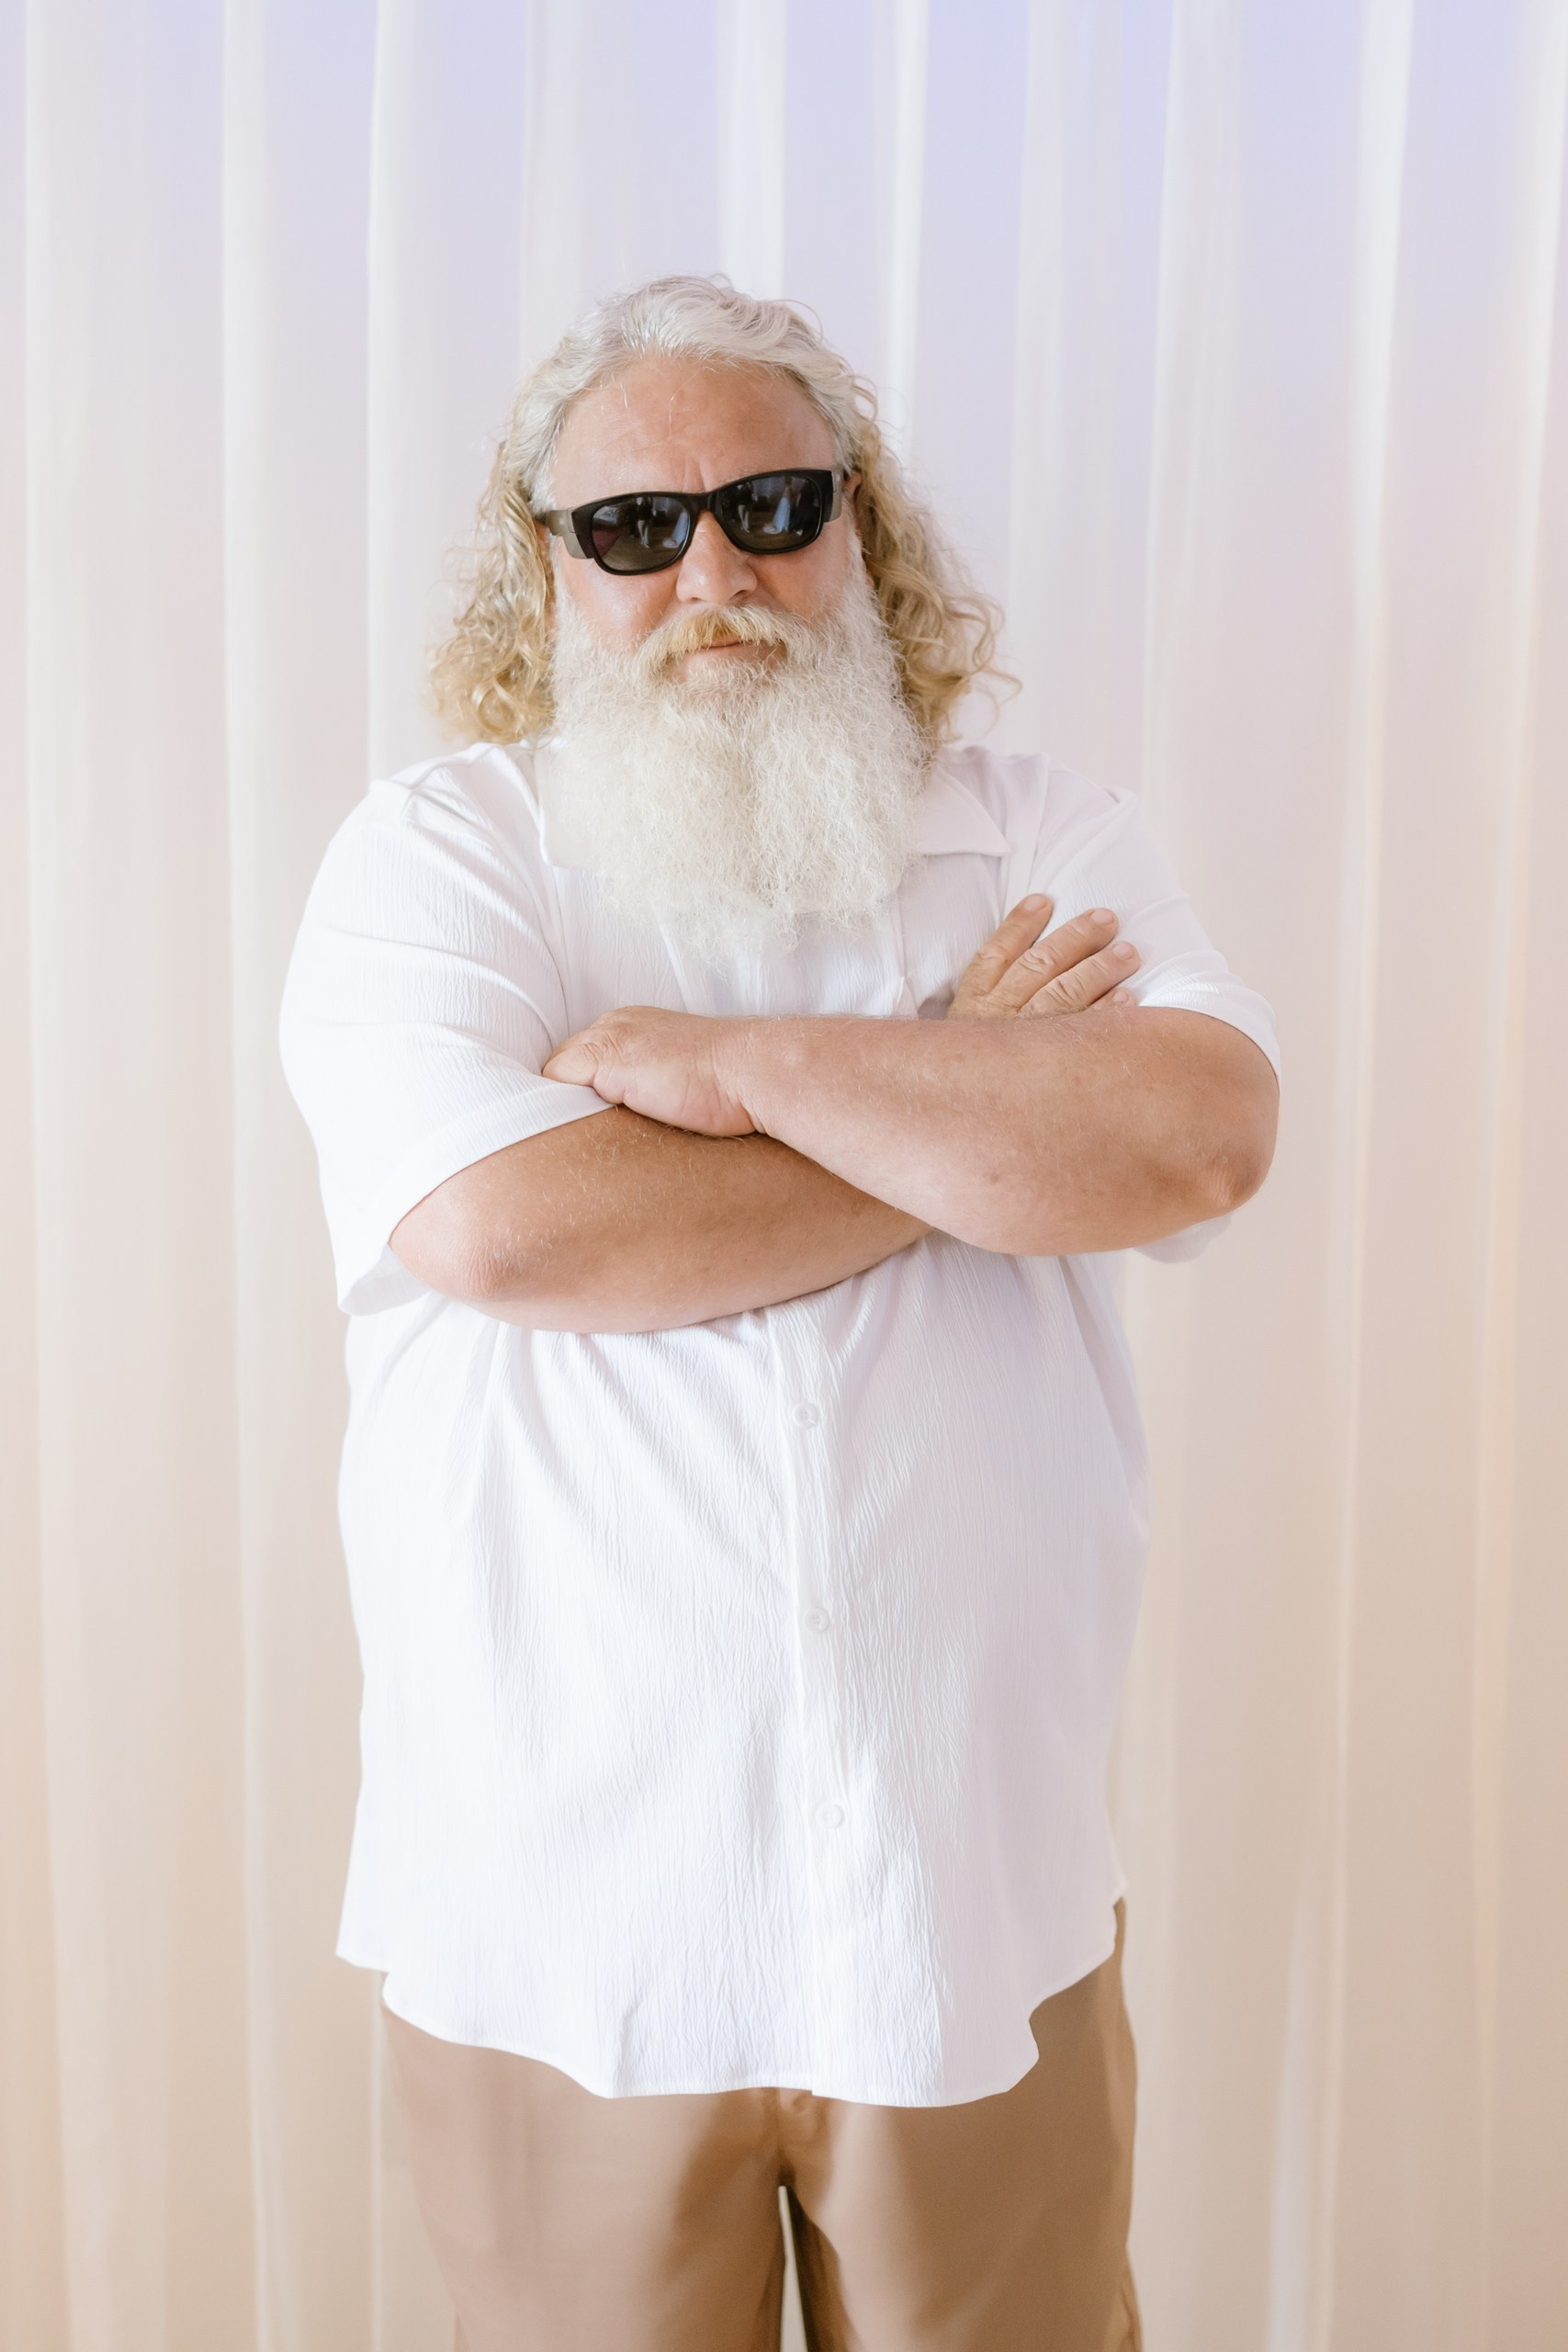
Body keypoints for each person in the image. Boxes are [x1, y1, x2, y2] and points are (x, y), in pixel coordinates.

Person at [280, 275, 1279, 2352]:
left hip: (970, 1898)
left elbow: (1192, 1138)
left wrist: (731, 1070)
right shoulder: (443, 858)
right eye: (635, 527)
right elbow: (511, 1232)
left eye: (771, 505)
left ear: (858, 527)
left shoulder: (1037, 832)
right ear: (547, 573)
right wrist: (968, 1102)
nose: (713, 573)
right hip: (566, 1926)